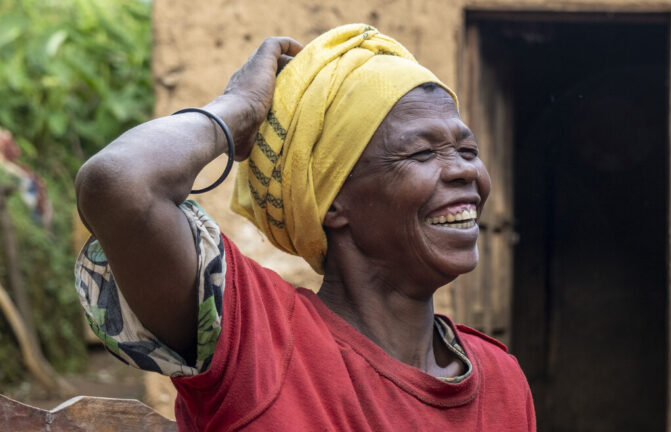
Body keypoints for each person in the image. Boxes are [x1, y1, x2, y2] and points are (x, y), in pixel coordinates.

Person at [74, 24, 536, 431]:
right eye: (421, 154)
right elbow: (118, 184)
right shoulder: (258, 339)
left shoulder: (500, 379)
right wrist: (238, 108)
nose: (465, 172)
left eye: (468, 151)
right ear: (332, 202)